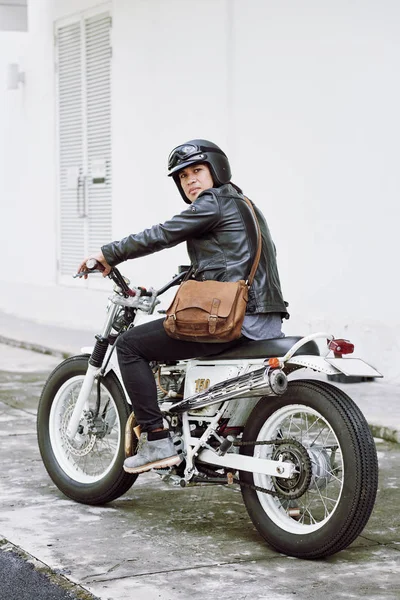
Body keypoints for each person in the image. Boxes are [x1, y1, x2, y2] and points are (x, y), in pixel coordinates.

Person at [78, 139, 288, 475]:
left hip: (238, 318)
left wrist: (108, 254)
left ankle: (157, 439)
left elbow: (162, 234)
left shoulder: (213, 201)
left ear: (217, 171)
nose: (189, 180)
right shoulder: (244, 204)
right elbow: (223, 261)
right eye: (182, 176)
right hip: (265, 316)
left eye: (197, 171)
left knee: (130, 346)